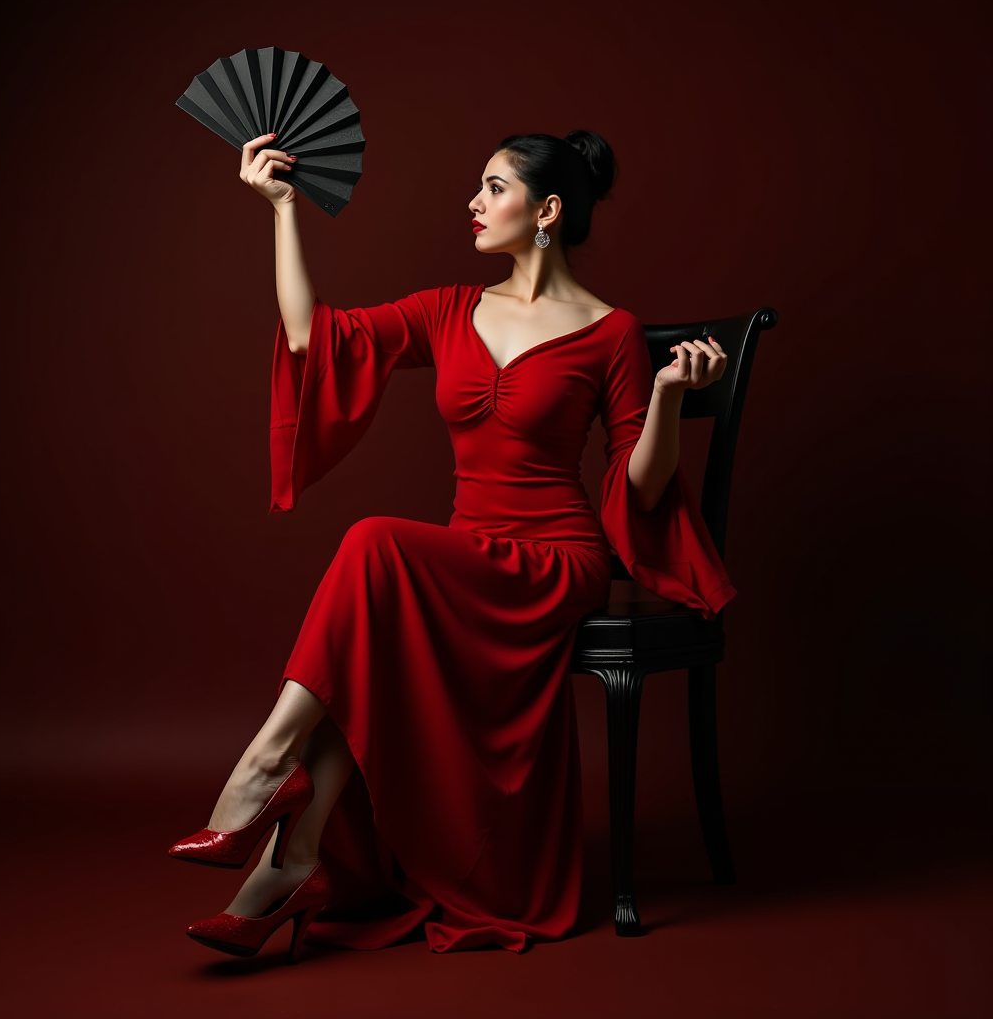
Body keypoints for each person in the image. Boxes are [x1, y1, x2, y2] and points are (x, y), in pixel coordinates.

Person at [169, 129, 736, 962]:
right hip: (467, 554)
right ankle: (287, 867)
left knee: (373, 546)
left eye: (493, 187)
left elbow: (640, 492)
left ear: (546, 211)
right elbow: (310, 340)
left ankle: (262, 769)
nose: (472, 202)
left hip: (554, 562)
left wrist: (665, 397)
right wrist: (284, 210)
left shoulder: (612, 332)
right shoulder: (446, 310)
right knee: (367, 622)